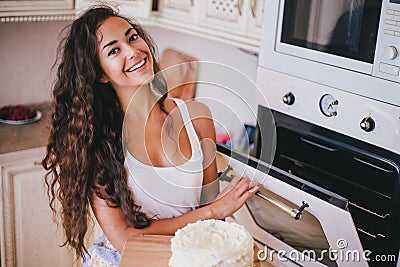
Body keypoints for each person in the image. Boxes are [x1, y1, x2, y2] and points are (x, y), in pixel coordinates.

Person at [42, 5, 261, 266]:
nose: (133, 51)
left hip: (188, 258)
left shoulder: (197, 118)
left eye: (132, 37)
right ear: (100, 73)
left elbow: (212, 222)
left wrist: (212, 214)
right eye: (114, 50)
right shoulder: (95, 144)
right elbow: (125, 239)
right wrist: (212, 211)